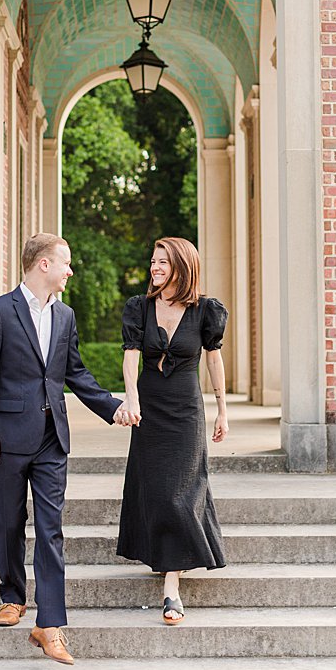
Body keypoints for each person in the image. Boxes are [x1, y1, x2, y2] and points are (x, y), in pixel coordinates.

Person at [0, 233, 137, 664]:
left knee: (50, 527)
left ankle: (51, 624)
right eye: (66, 262)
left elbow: (74, 373)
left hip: (50, 439)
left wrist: (112, 407)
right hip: (5, 438)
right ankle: (12, 595)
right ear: (43, 264)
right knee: (7, 519)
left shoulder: (65, 316)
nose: (70, 270)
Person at [116, 236, 229, 623]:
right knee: (156, 489)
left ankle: (171, 586)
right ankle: (162, 555)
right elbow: (131, 357)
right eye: (153, 261)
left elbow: (214, 362)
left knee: (181, 493)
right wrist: (131, 398)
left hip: (185, 412)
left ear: (183, 265)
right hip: (149, 410)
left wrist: (222, 411)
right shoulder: (140, 309)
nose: (155, 268)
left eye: (163, 262)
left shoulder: (205, 312)